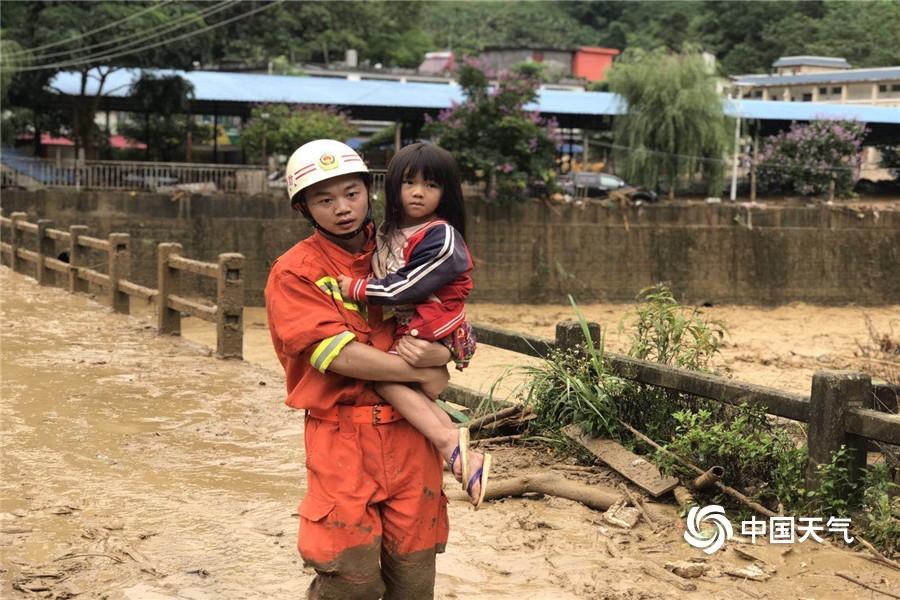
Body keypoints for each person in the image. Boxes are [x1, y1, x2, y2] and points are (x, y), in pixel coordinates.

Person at [265, 139, 453, 599]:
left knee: (414, 573)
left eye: (351, 193)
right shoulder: (295, 272)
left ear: (369, 191)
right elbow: (338, 355)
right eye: (323, 199)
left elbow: (449, 313)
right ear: (304, 207)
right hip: (342, 440)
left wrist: (445, 356)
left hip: (410, 438)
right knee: (351, 576)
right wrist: (423, 374)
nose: (342, 208)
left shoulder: (408, 250)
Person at [337, 142, 490, 506]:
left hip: (436, 322)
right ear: (394, 187)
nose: (418, 192)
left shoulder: (441, 235)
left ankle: (450, 445)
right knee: (393, 383)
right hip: (416, 323)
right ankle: (456, 452)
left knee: (383, 375)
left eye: (431, 185)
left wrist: (355, 288)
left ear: (446, 192)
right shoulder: (388, 231)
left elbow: (407, 286)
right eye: (409, 183)